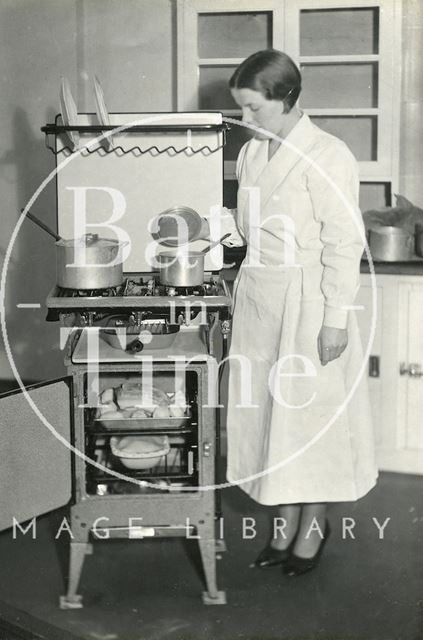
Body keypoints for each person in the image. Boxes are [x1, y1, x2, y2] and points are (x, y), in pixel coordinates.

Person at [206, 49, 377, 575]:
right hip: (260, 297)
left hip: (309, 302)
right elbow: (248, 228)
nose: (245, 121)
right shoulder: (253, 153)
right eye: (240, 109)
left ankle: (313, 525)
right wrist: (211, 239)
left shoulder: (328, 154)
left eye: (255, 109)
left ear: (289, 99)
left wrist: (334, 319)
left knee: (308, 419)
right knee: (266, 417)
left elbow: (345, 244)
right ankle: (282, 523)